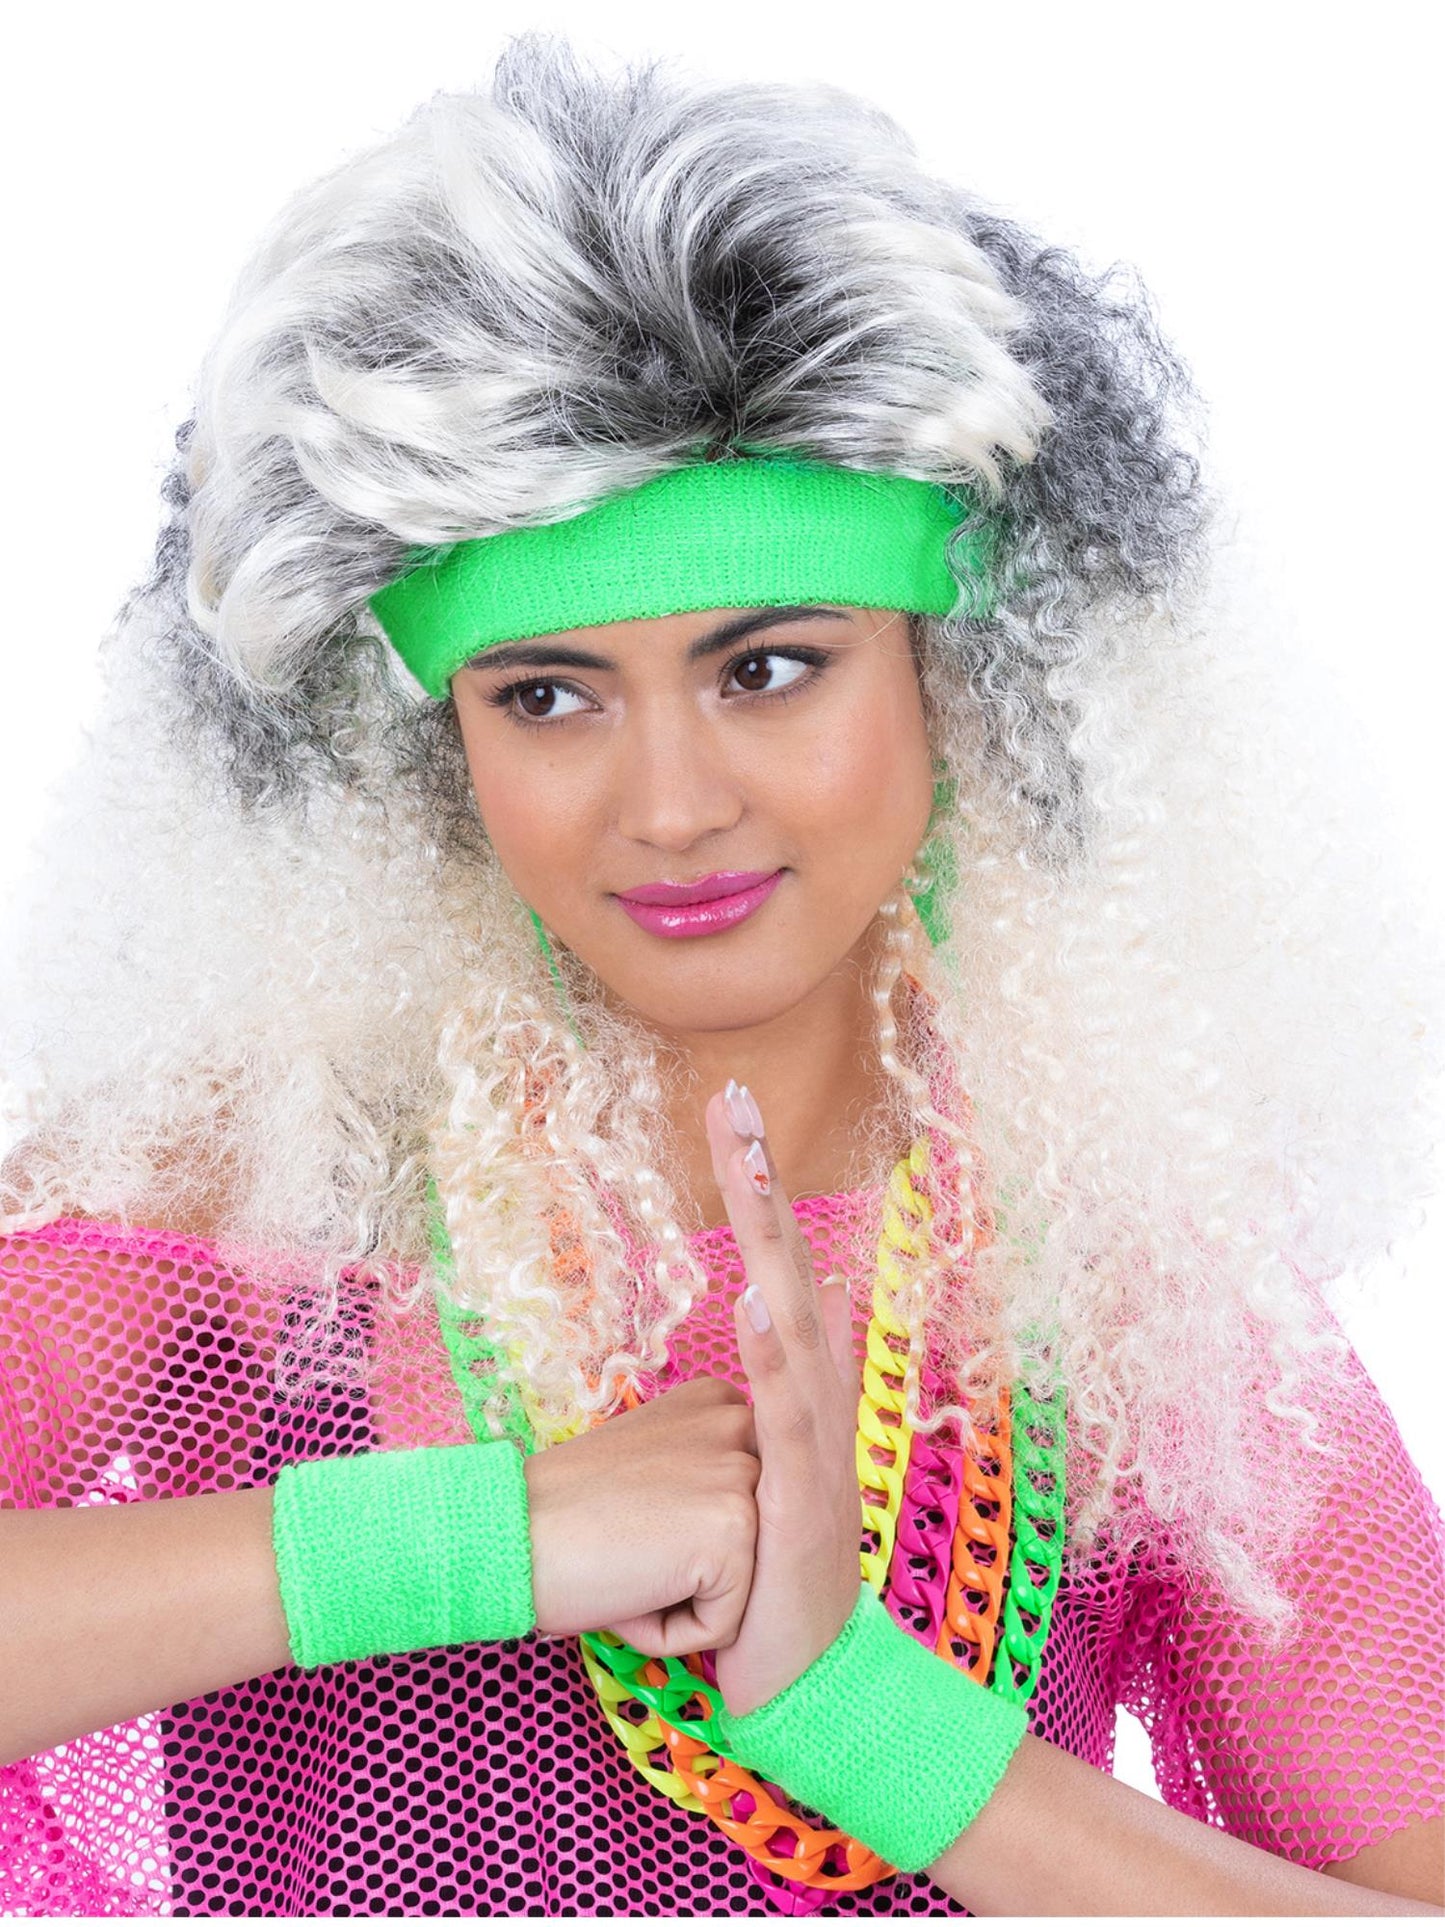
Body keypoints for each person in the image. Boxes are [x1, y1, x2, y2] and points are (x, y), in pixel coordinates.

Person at [0, 31, 1440, 1920]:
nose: (672, 805)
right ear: (437, 748)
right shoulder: (262, 1176)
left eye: (768, 668)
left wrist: (869, 1726)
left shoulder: (1126, 1269)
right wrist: (477, 1539)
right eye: (548, 696)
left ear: (960, 674)